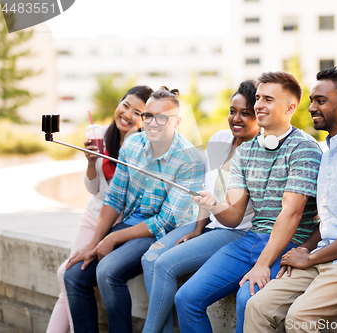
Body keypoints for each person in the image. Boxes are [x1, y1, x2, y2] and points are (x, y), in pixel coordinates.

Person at [174, 71, 322, 333]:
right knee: (186, 298)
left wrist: (262, 264)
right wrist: (213, 205)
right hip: (251, 239)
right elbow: (233, 216)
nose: (259, 105)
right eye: (258, 98)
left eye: (268, 99)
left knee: (247, 298)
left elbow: (291, 212)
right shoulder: (245, 151)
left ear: (290, 107)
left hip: (290, 242)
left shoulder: (305, 148)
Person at [244, 67, 337, 333]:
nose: (311, 107)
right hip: (324, 255)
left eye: (320, 101)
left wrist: (310, 258)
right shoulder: (328, 150)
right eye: (312, 100)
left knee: (299, 318)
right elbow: (332, 219)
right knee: (257, 306)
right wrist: (306, 248)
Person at [63, 87, 205, 333]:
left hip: (161, 232)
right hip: (131, 221)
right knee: (74, 275)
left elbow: (164, 222)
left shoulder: (190, 159)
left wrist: (113, 237)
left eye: (162, 117)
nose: (153, 122)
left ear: (178, 121)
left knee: (108, 271)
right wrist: (95, 242)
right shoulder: (133, 145)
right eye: (148, 115)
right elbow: (114, 198)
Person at [140, 80, 260, 333]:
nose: (236, 118)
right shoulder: (219, 139)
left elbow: (234, 215)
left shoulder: (258, 151)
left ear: (258, 115)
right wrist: (197, 227)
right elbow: (206, 186)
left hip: (235, 231)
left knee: (165, 264)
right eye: (232, 111)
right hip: (210, 226)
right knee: (151, 258)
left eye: (245, 113)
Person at [46, 85, 153, 333]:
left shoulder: (145, 148)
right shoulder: (101, 134)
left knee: (68, 274)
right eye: (125, 105)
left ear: (145, 119)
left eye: (137, 112)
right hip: (94, 214)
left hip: (121, 222)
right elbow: (94, 190)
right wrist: (91, 163)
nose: (127, 114)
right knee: (67, 275)